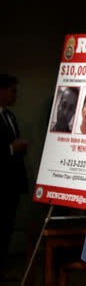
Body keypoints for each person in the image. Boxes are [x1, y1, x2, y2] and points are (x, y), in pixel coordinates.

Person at [0, 74, 28, 281]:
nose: (15, 95)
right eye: (12, 90)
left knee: (7, 226)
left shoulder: (10, 116)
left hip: (12, 183)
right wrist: (11, 148)